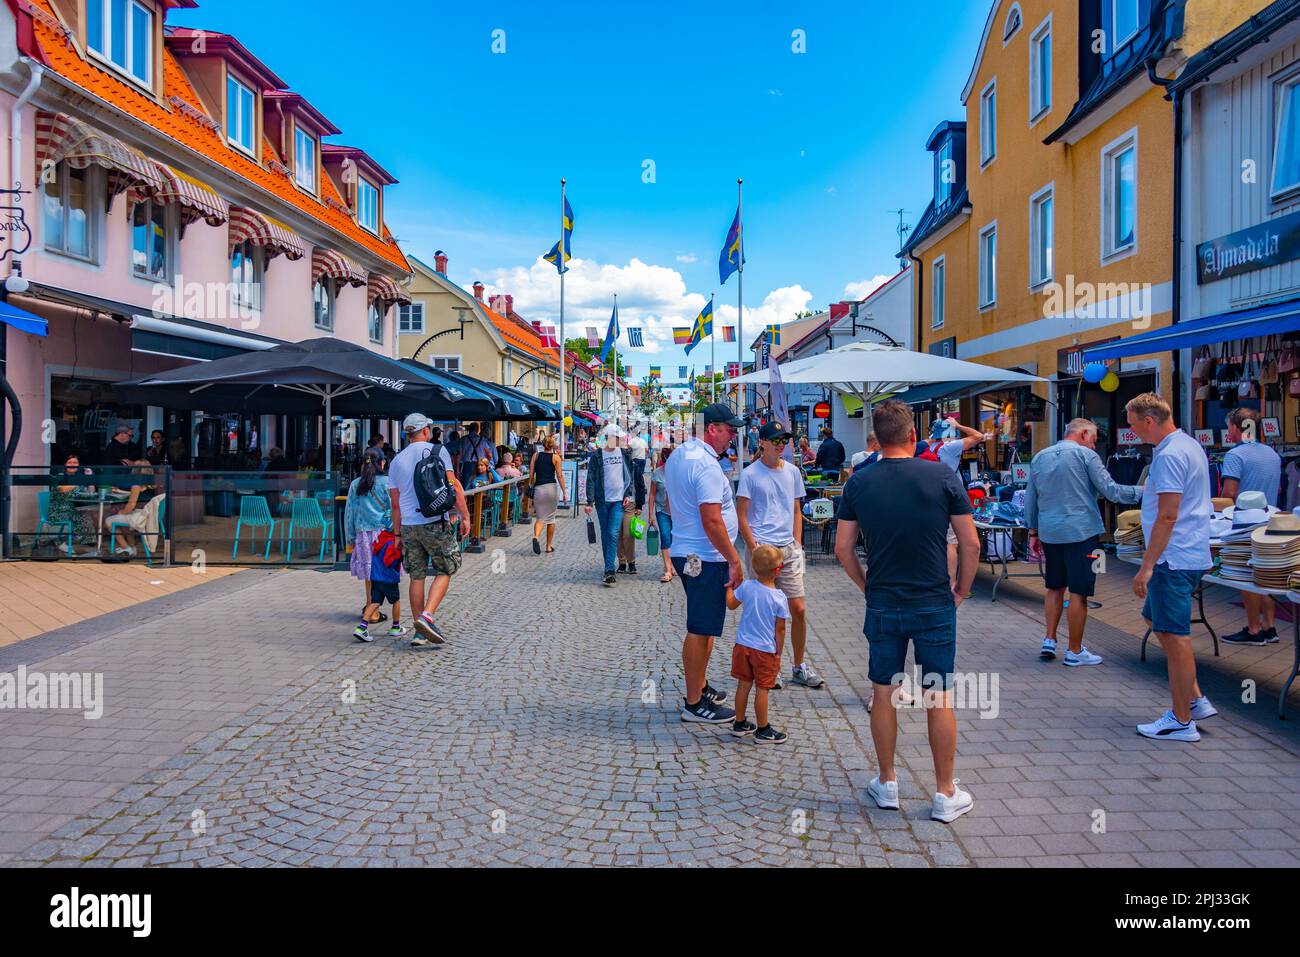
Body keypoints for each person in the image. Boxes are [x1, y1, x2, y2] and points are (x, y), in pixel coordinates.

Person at [833, 398, 980, 823]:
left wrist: (866, 585)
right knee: (939, 694)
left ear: (876, 439)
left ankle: (887, 782)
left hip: (884, 600)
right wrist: (962, 591)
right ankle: (944, 793)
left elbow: (844, 548)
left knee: (884, 691)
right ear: (914, 435)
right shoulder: (942, 475)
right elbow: (969, 544)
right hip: (935, 601)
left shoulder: (858, 483)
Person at [1126, 393, 1216, 742]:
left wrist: (1146, 567)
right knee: (1156, 620)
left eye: (1134, 425)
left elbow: (1167, 514)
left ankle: (1182, 719)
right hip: (1186, 554)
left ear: (1149, 421)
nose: (1132, 432)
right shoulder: (1187, 445)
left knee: (1176, 637)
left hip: (1173, 558)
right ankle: (1193, 699)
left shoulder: (1170, 455)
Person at [1025, 417, 1143, 665]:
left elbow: (1031, 499)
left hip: (1050, 532)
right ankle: (1075, 651)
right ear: (1082, 434)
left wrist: (1033, 532)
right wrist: (1145, 490)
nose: (1094, 445)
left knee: (1054, 586)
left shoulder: (1040, 457)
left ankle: (1049, 639)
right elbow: (1111, 491)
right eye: (1093, 439)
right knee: (1079, 592)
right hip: (1082, 532)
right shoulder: (1086, 457)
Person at [664, 403, 746, 724]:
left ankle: (700, 684)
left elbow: (672, 503)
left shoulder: (679, 456)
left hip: (689, 549)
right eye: (730, 430)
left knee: (706, 624)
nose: (733, 437)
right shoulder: (707, 467)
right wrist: (734, 558)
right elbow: (712, 520)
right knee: (700, 627)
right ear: (712, 428)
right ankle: (694, 703)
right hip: (706, 554)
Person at [736, 420, 823, 690]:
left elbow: (796, 510)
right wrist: (754, 548)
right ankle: (765, 667)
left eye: (784, 439)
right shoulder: (750, 474)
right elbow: (742, 516)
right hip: (762, 548)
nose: (781, 444)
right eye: (775, 440)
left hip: (788, 548)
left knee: (798, 608)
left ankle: (798, 666)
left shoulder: (793, 472)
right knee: (762, 613)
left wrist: (797, 543)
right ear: (762, 443)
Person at [388, 413, 470, 647]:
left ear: (407, 433)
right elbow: (454, 487)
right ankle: (426, 616)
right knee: (447, 566)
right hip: (434, 521)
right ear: (425, 430)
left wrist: (396, 534)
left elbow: (395, 504)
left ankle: (419, 632)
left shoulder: (396, 461)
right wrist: (465, 516)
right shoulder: (437, 451)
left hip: (408, 525)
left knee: (417, 576)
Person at [1219, 407, 1284, 645]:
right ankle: (1270, 626)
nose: (1228, 432)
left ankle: (1254, 629)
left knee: (1245, 578)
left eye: (1229, 427)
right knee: (1263, 576)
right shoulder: (1272, 454)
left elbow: (1229, 493)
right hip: (1270, 521)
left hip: (1245, 524)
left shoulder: (1235, 455)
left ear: (1238, 427)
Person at [727, 543, 791, 743]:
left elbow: (731, 605)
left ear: (753, 568)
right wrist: (778, 651)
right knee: (762, 689)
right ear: (778, 570)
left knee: (743, 685)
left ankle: (739, 723)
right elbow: (780, 629)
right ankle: (763, 729)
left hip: (742, 646)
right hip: (764, 650)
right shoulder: (779, 598)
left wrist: (730, 587)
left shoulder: (746, 587)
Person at [920, 418, 990, 589]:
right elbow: (978, 436)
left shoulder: (928, 448)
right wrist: (959, 425)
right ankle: (950, 584)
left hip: (929, 499)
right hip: (948, 500)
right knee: (951, 544)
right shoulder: (950, 447)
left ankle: (932, 578)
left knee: (935, 541)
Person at [344, 448, 394, 628]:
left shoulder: (356, 484)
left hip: (363, 535)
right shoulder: (387, 483)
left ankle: (370, 608)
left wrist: (350, 537)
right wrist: (392, 528)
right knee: (383, 573)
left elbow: (349, 513)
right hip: (383, 535)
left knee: (369, 575)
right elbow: (393, 509)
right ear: (382, 463)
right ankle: (374, 611)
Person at [584, 425, 634, 586]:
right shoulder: (597, 456)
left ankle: (609, 570)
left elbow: (630, 475)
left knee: (613, 534)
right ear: (608, 438)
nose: (620, 441)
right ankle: (608, 568)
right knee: (606, 535)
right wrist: (589, 501)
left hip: (618, 501)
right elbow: (591, 478)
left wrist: (628, 494)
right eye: (617, 438)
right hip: (602, 501)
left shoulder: (624, 454)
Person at [355, 530, 405, 642]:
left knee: (374, 603)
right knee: (396, 601)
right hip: (389, 580)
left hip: (376, 578)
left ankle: (361, 628)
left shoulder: (379, 541)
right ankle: (396, 627)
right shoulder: (393, 544)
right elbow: (391, 562)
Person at [46, 454, 98, 554]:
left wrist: (90, 479)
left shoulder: (79, 477)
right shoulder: (60, 475)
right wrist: (80, 481)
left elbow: (90, 492)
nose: (72, 464)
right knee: (80, 515)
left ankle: (84, 542)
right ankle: (59, 542)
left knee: (89, 514)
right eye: (70, 462)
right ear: (65, 464)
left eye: (75, 462)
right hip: (58, 510)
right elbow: (62, 488)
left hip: (73, 508)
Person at [618, 432, 648, 574]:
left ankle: (631, 562)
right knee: (618, 533)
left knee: (628, 534)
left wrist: (639, 506)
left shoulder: (635, 467)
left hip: (630, 503)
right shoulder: (615, 468)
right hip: (616, 503)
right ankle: (622, 562)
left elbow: (641, 486)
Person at [528, 435, 565, 554]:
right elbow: (559, 476)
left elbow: (531, 473)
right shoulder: (556, 458)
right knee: (551, 518)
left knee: (540, 518)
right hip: (551, 489)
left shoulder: (536, 456)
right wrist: (564, 492)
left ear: (543, 444)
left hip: (539, 489)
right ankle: (549, 546)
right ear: (553, 445)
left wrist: (530, 484)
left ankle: (536, 537)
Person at [646, 445, 675, 583]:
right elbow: (652, 494)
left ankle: (673, 566)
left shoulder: (679, 473)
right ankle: (667, 570)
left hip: (676, 512)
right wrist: (650, 514)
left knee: (674, 538)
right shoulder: (657, 473)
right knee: (665, 536)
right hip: (661, 510)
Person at [457, 422, 495, 490]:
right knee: (479, 485)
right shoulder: (482, 440)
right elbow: (489, 455)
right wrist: (486, 463)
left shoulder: (463, 439)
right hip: (480, 464)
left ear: (469, 429)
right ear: (478, 430)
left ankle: (467, 500)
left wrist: (457, 469)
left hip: (467, 465)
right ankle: (478, 499)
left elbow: (459, 455)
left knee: (466, 486)